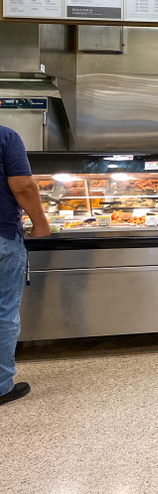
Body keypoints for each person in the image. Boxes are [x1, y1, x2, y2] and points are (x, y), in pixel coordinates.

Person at [1, 124, 50, 406]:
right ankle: (1, 386)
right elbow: (23, 187)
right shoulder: (5, 137)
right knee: (3, 313)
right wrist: (40, 224)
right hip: (2, 237)